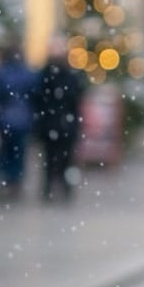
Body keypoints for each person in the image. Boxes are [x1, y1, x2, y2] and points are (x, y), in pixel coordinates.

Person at [31, 38, 87, 202]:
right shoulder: (48, 75)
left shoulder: (61, 76)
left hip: (60, 125)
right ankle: (53, 188)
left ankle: (60, 188)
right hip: (55, 125)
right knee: (53, 158)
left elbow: (75, 100)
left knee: (63, 158)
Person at [0, 45, 37, 197]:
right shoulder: (28, 74)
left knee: (3, 151)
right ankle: (15, 180)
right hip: (22, 119)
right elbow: (34, 95)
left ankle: (3, 178)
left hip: (3, 119)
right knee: (18, 152)